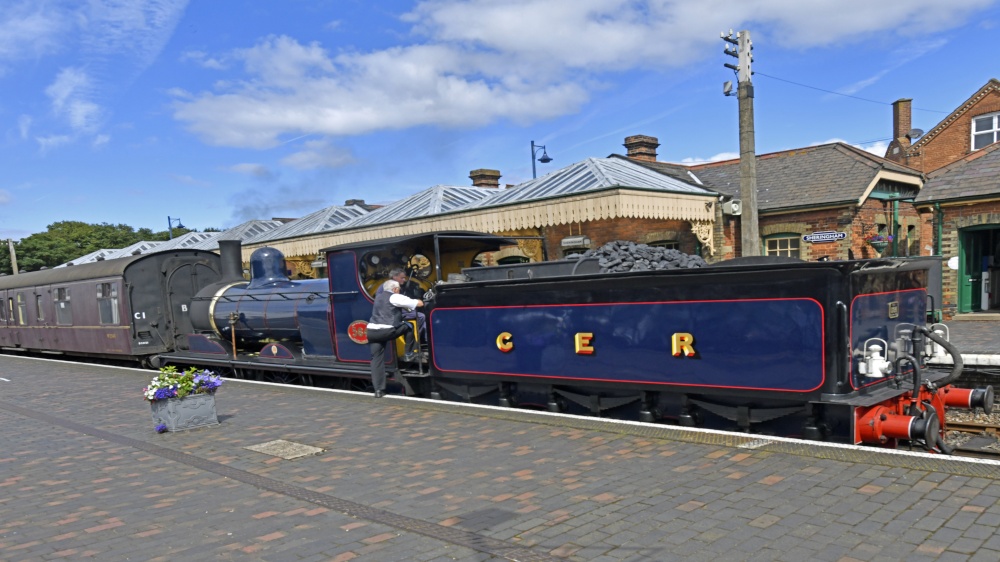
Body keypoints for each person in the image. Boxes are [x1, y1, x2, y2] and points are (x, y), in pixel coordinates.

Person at [367, 279, 424, 398]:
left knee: (376, 359)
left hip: (372, 331)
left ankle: (378, 390)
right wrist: (420, 299)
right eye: (399, 289)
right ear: (395, 289)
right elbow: (418, 304)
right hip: (387, 330)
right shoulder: (394, 297)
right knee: (408, 327)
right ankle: (409, 353)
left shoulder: (379, 297)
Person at [376, 267, 427, 341]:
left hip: (390, 310)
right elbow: (395, 300)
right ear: (394, 277)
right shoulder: (391, 287)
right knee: (421, 316)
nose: (404, 280)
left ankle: (424, 338)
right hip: (391, 312)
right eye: (402, 278)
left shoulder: (387, 285)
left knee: (417, 312)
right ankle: (416, 339)